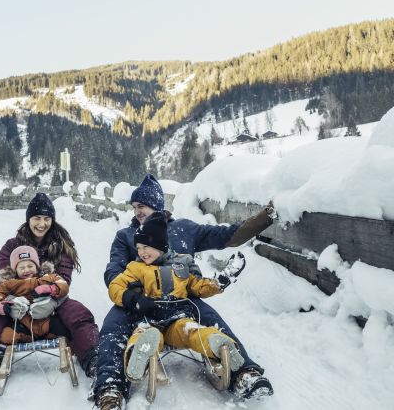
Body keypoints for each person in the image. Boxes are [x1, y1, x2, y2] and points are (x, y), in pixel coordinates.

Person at [94, 174, 275, 410]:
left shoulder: (183, 229)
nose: (137, 211)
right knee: (112, 326)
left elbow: (226, 236)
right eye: (135, 207)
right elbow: (114, 270)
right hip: (139, 299)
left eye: (143, 206)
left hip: (183, 297)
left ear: (157, 205)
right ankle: (110, 388)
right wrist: (133, 295)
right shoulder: (127, 236)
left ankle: (243, 372)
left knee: (210, 318)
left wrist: (264, 219)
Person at [0, 193, 99, 410]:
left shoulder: (60, 246)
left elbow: (63, 283)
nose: (42, 223)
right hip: (17, 310)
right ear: (28, 219)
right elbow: (2, 283)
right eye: (37, 218)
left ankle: (96, 363)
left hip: (51, 304)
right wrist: (7, 304)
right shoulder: (11, 246)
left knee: (78, 312)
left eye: (47, 218)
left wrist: (48, 293)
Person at [109, 211, 246, 381]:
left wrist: (219, 283)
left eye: (146, 246)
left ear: (160, 245)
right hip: (149, 319)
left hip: (177, 319)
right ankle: (137, 357)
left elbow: (198, 287)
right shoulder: (135, 267)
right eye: (138, 248)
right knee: (146, 334)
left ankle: (219, 345)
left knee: (192, 331)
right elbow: (116, 286)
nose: (141, 252)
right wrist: (133, 299)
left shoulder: (181, 264)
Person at [0, 245, 69, 344]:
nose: (26, 270)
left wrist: (50, 288)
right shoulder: (10, 283)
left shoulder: (47, 277)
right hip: (24, 325)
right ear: (15, 270)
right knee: (6, 336)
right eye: (21, 268)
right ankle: (6, 349)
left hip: (47, 322)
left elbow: (63, 284)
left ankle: (73, 348)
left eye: (30, 266)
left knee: (65, 329)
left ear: (37, 267)